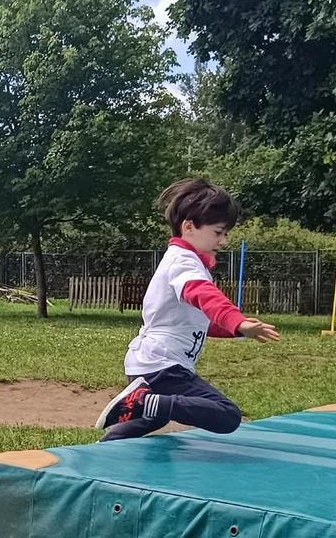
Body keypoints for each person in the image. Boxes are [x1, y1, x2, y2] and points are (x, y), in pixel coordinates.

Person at [97, 179, 281, 442]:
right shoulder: (183, 262)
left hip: (151, 363)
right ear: (189, 227)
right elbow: (205, 296)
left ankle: (107, 444)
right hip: (162, 365)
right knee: (227, 415)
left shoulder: (186, 262)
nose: (224, 240)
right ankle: (140, 402)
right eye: (218, 232)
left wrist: (237, 331)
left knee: (156, 415)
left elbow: (198, 320)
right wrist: (236, 320)